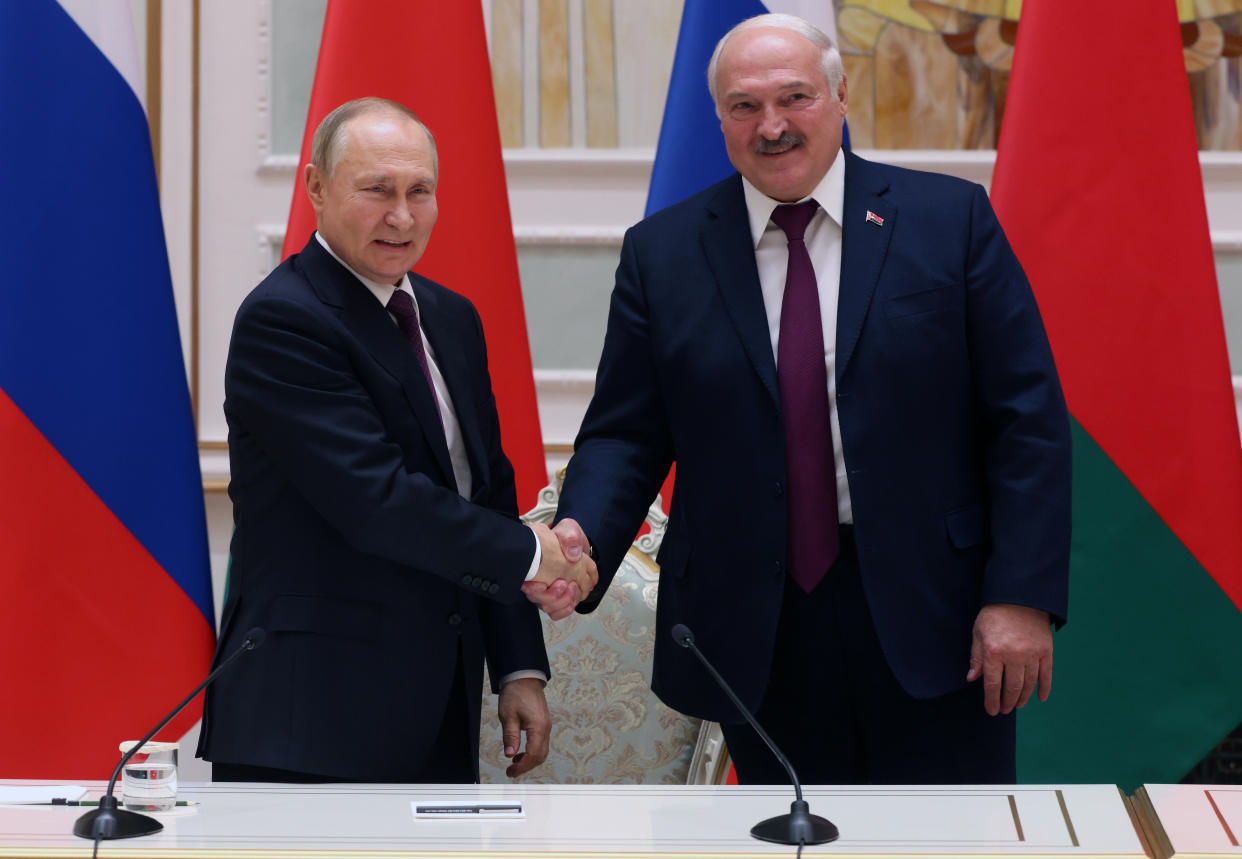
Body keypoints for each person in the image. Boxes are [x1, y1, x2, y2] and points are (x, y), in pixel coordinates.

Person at [535, 14, 1071, 784]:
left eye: (795, 97)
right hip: (756, 621)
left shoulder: (949, 222)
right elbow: (626, 432)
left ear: (841, 95)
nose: (773, 125)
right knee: (789, 837)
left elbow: (1027, 421)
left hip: (939, 612)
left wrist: (1020, 594)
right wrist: (582, 539)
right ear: (718, 117)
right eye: (745, 106)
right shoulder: (663, 253)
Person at [198, 97, 595, 784]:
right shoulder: (283, 319)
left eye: (420, 191)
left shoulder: (450, 316)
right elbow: (376, 499)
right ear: (317, 187)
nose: (402, 216)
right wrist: (540, 555)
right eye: (377, 190)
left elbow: (487, 492)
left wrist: (518, 666)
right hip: (310, 718)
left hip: (435, 707)